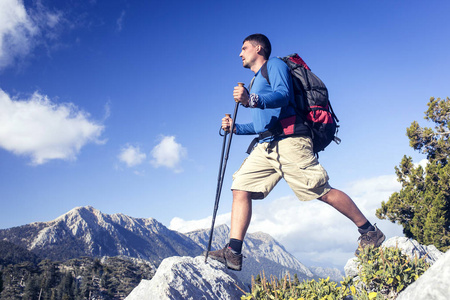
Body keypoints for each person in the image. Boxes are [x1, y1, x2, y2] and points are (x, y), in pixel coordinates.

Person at [207, 34, 385, 271]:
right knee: (240, 186)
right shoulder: (253, 81)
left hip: (291, 140)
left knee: (319, 189)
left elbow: (283, 95)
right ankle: (233, 252)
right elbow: (262, 125)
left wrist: (252, 100)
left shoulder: (275, 66)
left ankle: (369, 231)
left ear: (258, 48)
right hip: (267, 144)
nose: (240, 54)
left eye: (244, 48)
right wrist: (235, 128)